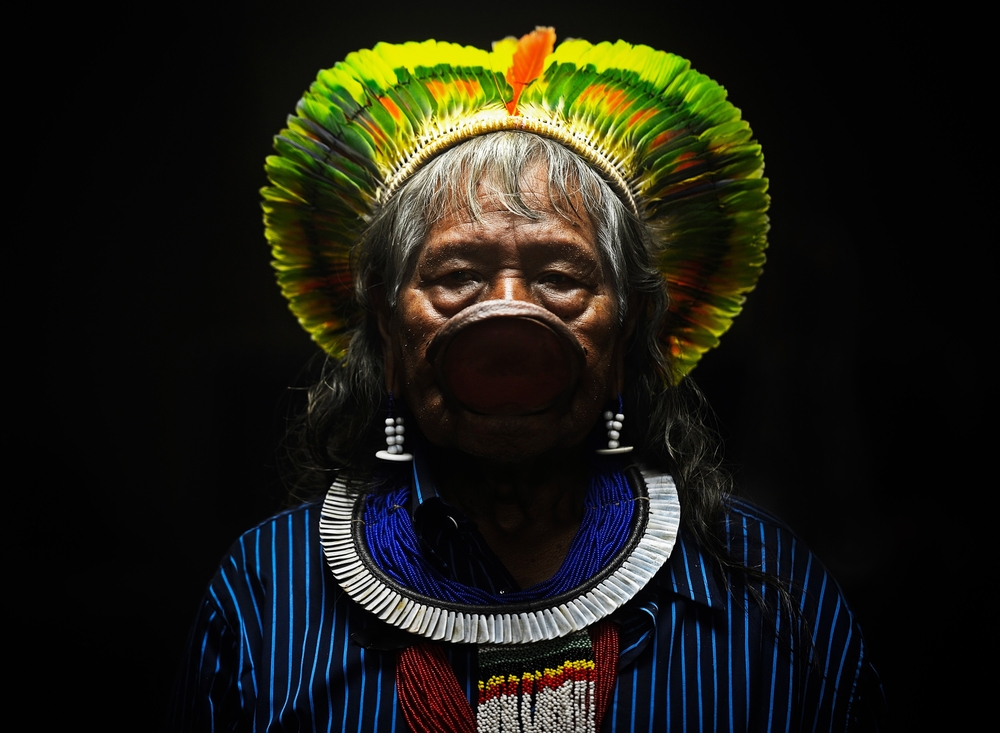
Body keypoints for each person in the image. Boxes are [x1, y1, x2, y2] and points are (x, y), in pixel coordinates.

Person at [171, 28, 884, 731]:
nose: (508, 315)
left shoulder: (769, 589)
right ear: (387, 327)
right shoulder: (266, 593)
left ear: (628, 326)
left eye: (559, 278)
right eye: (457, 276)